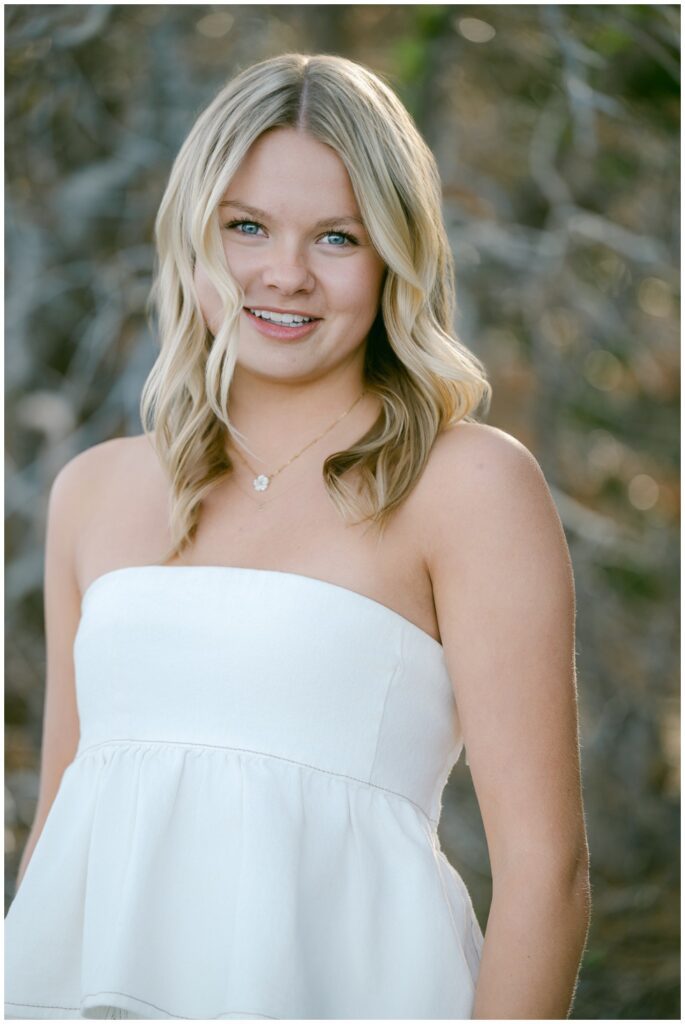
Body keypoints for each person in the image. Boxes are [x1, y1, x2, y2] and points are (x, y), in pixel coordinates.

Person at [4, 53, 591, 1020]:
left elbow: (547, 878)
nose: (284, 274)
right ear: (193, 237)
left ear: (394, 254)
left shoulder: (467, 483)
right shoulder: (93, 490)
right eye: (246, 227)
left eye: (335, 237)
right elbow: (63, 832)